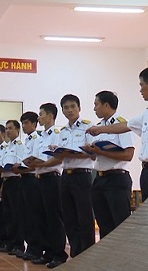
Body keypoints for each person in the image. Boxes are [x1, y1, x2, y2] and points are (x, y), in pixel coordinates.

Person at [87, 67, 148, 202]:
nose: (140, 90)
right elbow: (126, 125)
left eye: (142, 85)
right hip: (147, 172)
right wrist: (99, 130)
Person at [82, 91, 134, 239]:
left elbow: (128, 155)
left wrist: (101, 152)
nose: (94, 108)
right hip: (99, 179)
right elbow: (96, 157)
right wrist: (91, 151)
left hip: (117, 179)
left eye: (96, 104)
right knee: (104, 225)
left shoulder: (121, 124)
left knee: (120, 225)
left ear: (106, 105)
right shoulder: (98, 127)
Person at [25, 103, 67, 269]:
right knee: (41, 217)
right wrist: (32, 162)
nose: (39, 117)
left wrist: (41, 164)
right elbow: (37, 157)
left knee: (54, 218)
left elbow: (59, 158)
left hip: (52, 178)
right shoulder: (40, 137)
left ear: (50, 116)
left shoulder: (57, 134)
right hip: (39, 178)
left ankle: (59, 254)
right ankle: (47, 252)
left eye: (41, 114)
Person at [55, 94, 95, 257]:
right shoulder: (62, 131)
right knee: (69, 217)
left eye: (73, 106)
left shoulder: (88, 127)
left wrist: (72, 154)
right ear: (62, 111)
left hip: (82, 175)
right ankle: (75, 253)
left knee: (84, 217)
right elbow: (59, 155)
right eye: (66, 107)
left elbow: (92, 153)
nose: (70, 110)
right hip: (66, 176)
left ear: (79, 108)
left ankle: (87, 255)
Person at [14, 111, 40, 261]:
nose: (24, 126)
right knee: (23, 215)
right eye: (22, 123)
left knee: (32, 216)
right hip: (23, 178)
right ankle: (29, 247)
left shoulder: (37, 139)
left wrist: (22, 167)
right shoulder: (27, 141)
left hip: (32, 179)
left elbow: (35, 162)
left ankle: (35, 249)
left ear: (34, 124)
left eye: (26, 123)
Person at [0, 120, 24, 256]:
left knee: (16, 214)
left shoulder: (20, 145)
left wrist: (13, 167)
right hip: (6, 180)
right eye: (6, 128)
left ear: (17, 130)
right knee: (6, 214)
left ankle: (18, 245)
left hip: (15, 180)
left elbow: (21, 163)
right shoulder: (7, 147)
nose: (7, 131)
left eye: (10, 128)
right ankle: (9, 243)